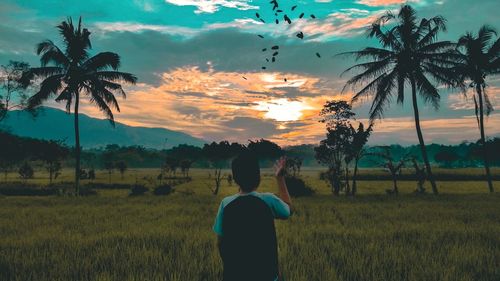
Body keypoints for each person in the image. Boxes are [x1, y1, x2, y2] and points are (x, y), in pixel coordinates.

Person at [213, 152, 292, 281]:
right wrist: (280, 179)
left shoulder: (226, 204)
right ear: (258, 177)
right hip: (266, 275)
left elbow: (220, 243)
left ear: (235, 179)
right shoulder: (269, 200)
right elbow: (288, 209)